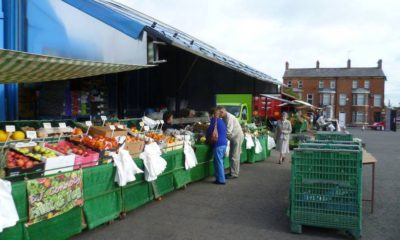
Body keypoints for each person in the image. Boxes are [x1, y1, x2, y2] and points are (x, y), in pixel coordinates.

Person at [217, 106, 244, 179]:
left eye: (220, 113)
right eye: (219, 113)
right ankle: (232, 172)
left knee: (234, 156)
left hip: (237, 137)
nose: (219, 115)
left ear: (223, 111)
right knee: (232, 155)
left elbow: (228, 132)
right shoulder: (223, 117)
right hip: (233, 137)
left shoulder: (229, 118)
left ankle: (234, 174)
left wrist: (221, 137)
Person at [206, 108, 227, 185]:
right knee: (218, 161)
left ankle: (221, 180)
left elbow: (209, 131)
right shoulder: (221, 121)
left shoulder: (214, 121)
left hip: (218, 144)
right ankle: (219, 178)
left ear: (211, 115)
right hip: (224, 143)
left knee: (219, 162)